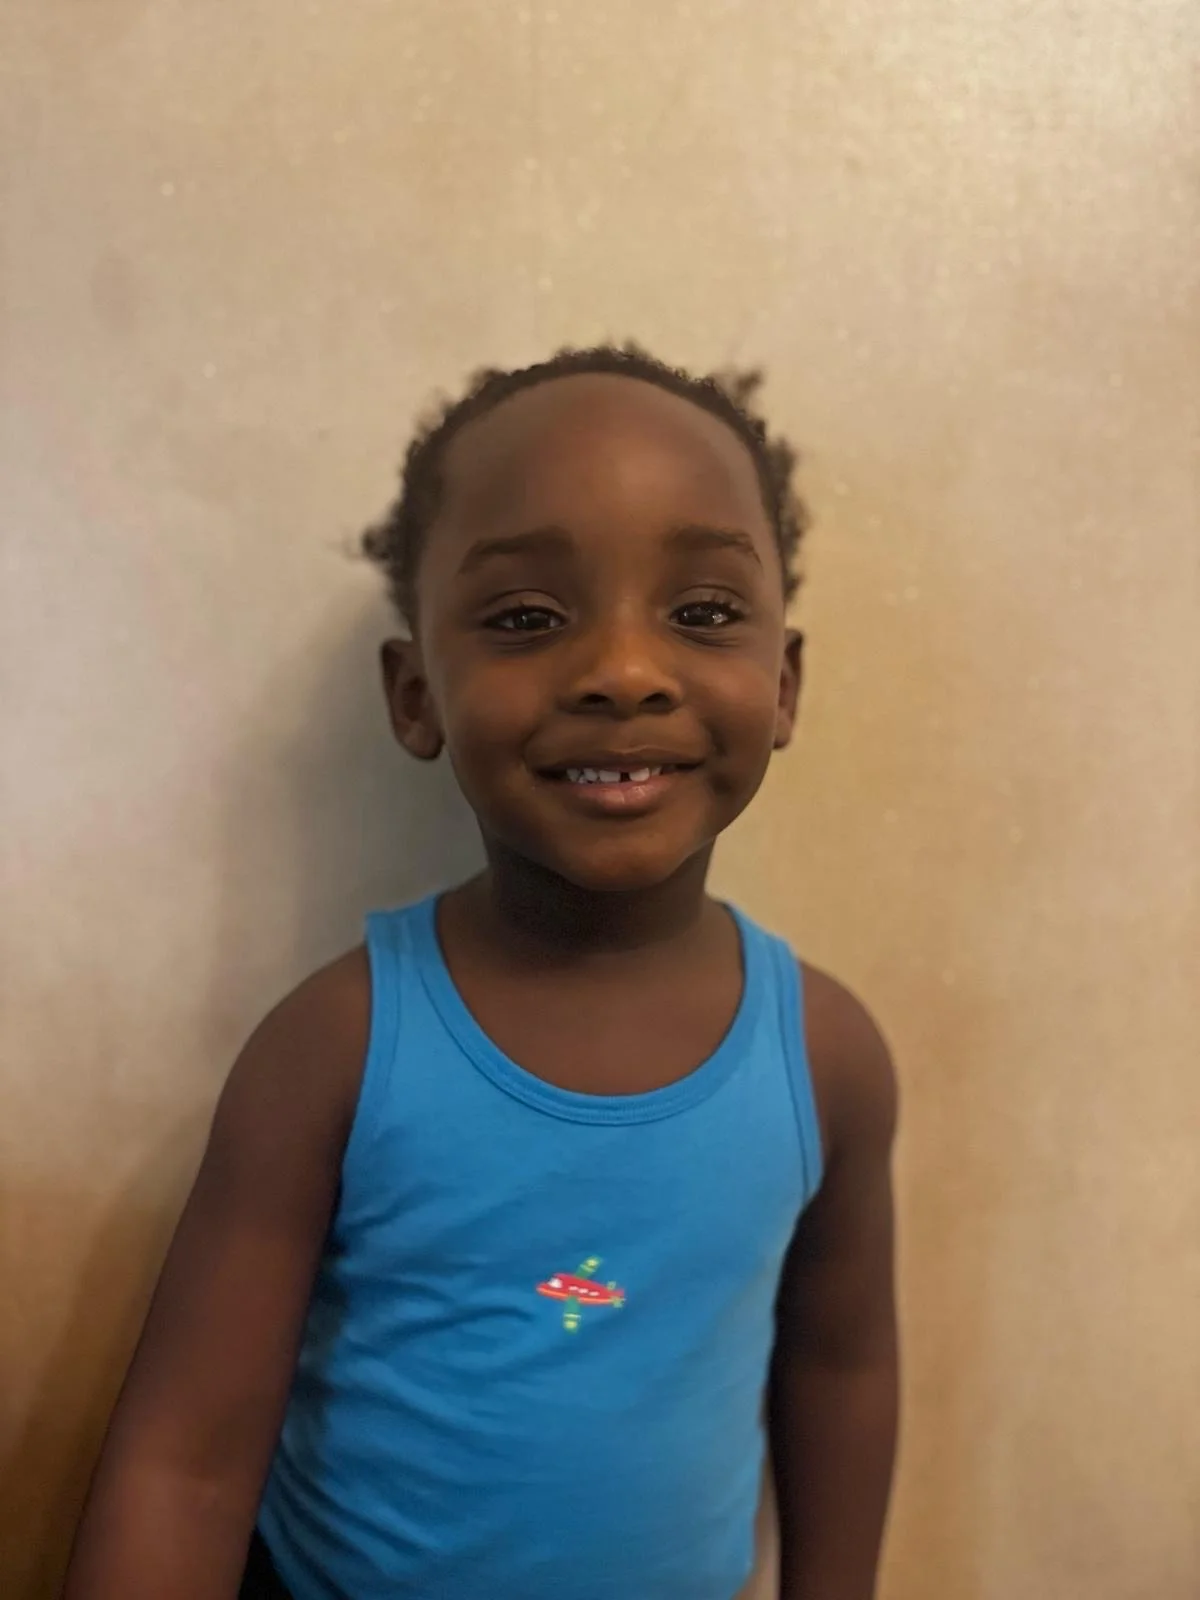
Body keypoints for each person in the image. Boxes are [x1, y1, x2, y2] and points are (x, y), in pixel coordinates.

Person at [64, 344, 899, 1600]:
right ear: (417, 695)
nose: (623, 669)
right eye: (526, 618)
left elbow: (839, 1369)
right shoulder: (337, 1048)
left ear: (782, 682)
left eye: (704, 612)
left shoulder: (826, 1059)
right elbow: (182, 1464)